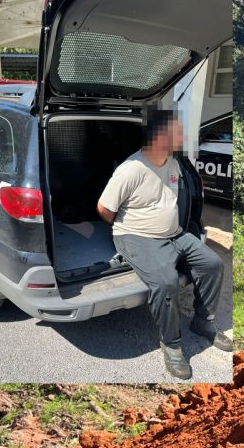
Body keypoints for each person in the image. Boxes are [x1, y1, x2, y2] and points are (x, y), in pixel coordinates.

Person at [98, 109, 230, 379]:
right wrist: (130, 227)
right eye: (177, 131)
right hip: (136, 236)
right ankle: (171, 345)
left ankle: (203, 322)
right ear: (160, 136)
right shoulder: (131, 169)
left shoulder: (172, 162)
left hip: (175, 234)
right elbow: (104, 209)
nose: (182, 136)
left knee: (213, 264)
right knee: (166, 283)